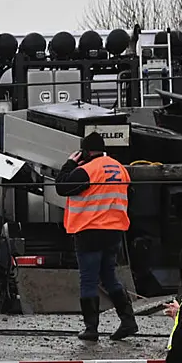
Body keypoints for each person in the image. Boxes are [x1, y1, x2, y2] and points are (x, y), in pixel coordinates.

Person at [55, 131, 138, 341]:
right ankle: (128, 321)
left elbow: (61, 186)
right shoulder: (120, 169)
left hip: (89, 231)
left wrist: (69, 164)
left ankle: (91, 328)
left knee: (89, 279)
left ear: (85, 151)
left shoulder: (87, 170)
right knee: (109, 276)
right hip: (114, 232)